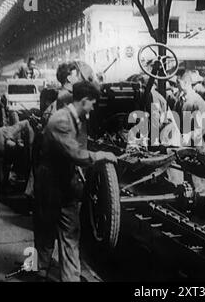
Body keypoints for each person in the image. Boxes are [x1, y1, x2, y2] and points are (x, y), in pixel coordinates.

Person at [33, 81, 117, 282]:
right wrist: (100, 155)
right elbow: (75, 153)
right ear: (85, 100)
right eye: (93, 103)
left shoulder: (73, 118)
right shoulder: (61, 120)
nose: (94, 107)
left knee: (70, 233)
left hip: (64, 183)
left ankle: (68, 277)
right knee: (46, 230)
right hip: (50, 184)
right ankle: (40, 271)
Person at [174, 71, 205, 193]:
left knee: (199, 182)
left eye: (178, 82)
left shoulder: (197, 101)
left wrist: (189, 136)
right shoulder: (180, 100)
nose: (177, 85)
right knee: (188, 181)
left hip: (196, 147)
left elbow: (202, 127)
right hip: (185, 145)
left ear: (186, 83)